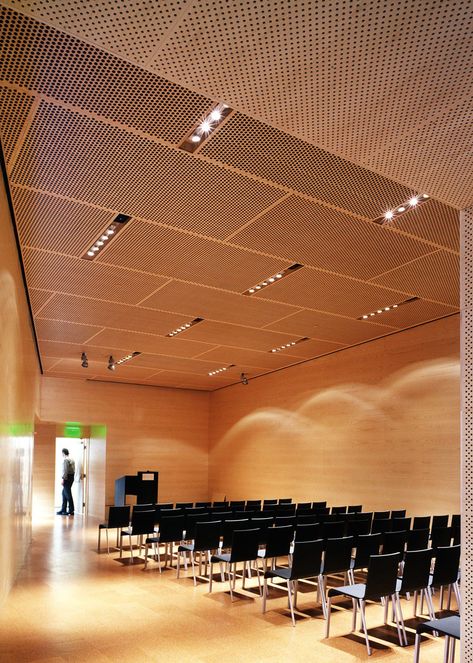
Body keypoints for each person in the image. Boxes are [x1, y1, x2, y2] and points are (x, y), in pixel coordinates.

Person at [57, 448, 75, 516]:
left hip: (67, 478)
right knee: (64, 493)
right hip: (71, 477)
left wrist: (63, 479)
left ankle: (71, 510)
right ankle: (63, 510)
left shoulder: (65, 460)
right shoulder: (72, 459)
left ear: (63, 453)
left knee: (68, 494)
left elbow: (65, 471)